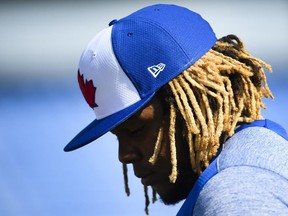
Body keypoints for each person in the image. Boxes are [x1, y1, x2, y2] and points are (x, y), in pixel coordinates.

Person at [64, 4, 288, 215]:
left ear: (201, 99)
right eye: (117, 137)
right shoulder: (252, 160)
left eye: (135, 129)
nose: (124, 156)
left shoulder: (236, 193)